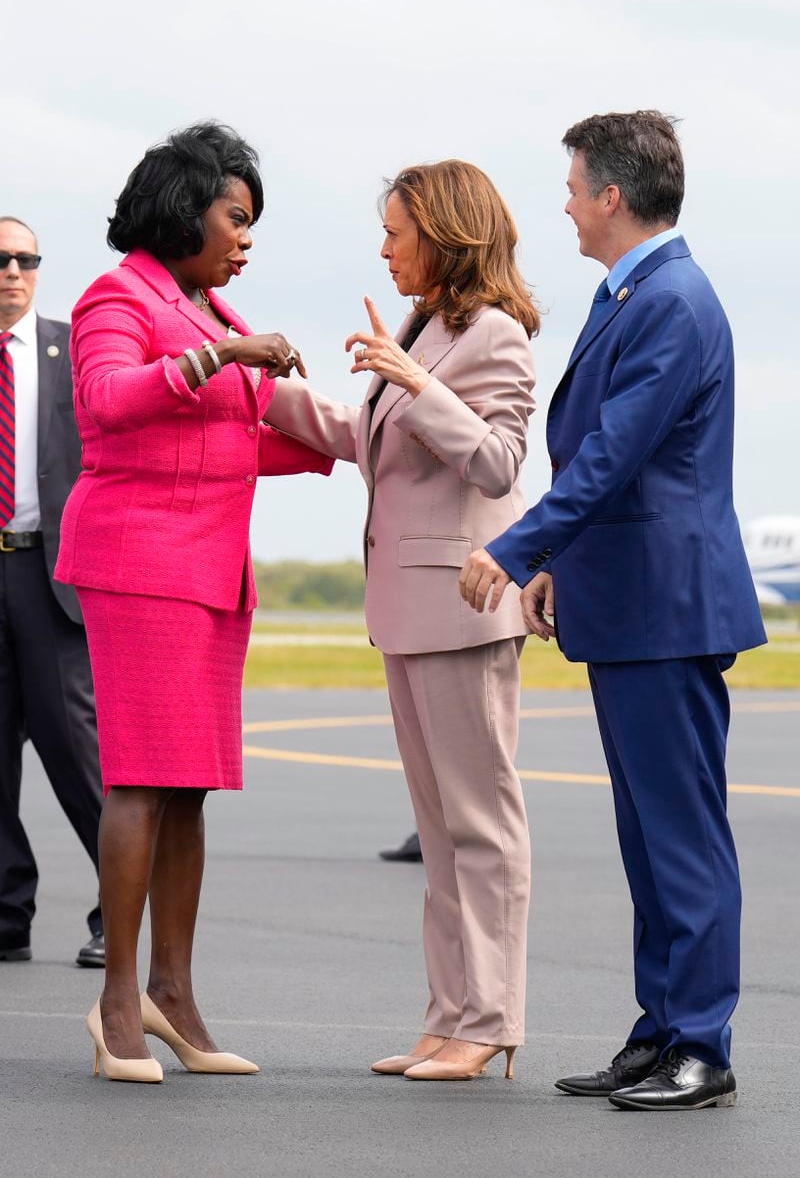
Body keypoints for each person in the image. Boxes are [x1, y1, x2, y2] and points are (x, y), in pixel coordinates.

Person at [460, 111, 766, 1110]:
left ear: (610, 197)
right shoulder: (638, 291)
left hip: (665, 606)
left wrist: (516, 549)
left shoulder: (669, 299)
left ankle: (701, 1044)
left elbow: (612, 454)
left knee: (680, 833)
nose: (563, 203)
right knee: (647, 834)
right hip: (631, 597)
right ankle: (661, 1026)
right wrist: (565, 567)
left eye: (572, 184)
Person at [54, 122, 334, 1083]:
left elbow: (226, 443)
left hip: (211, 569)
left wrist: (355, 436)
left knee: (187, 786)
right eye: (235, 215)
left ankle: (173, 993)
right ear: (186, 208)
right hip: (141, 562)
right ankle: (117, 1004)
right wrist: (224, 359)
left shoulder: (208, 305)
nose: (246, 236)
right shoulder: (118, 294)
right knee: (137, 778)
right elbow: (109, 400)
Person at [264, 160, 538, 1081]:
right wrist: (271, 390)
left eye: (395, 232)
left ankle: (492, 1019)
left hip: (462, 612)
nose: (383, 249)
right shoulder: (422, 328)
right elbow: (367, 438)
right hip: (406, 612)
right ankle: (451, 1011)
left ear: (446, 233)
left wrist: (417, 381)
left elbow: (499, 465)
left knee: (480, 827)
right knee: (438, 827)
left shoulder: (492, 334)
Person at [0, 216, 105, 968]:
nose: (12, 270)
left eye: (25, 258)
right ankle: (7, 915)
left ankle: (122, 911)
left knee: (76, 746)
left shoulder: (72, 350)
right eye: (0, 259)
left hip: (50, 574)